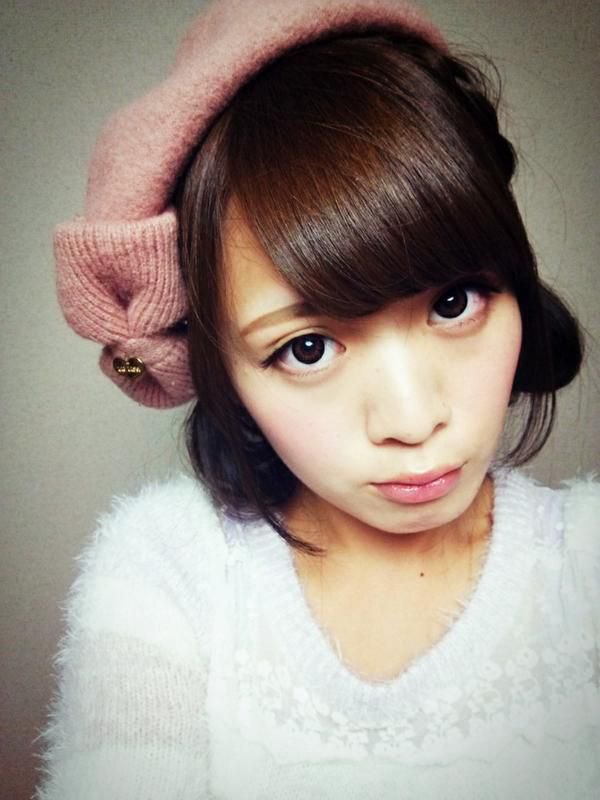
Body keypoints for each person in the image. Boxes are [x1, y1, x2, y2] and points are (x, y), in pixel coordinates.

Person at [38, 0, 599, 798]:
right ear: (220, 370)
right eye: (307, 348)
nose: (413, 420)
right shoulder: (167, 571)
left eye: (454, 304)